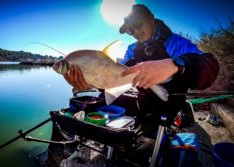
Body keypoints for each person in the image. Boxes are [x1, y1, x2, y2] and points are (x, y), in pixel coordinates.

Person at [64, 4, 219, 137]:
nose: (136, 32)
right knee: (103, 103)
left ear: (151, 18)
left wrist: (175, 65)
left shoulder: (176, 43)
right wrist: (90, 83)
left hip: (168, 106)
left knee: (152, 135)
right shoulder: (132, 49)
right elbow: (117, 78)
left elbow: (209, 68)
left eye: (138, 24)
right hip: (141, 101)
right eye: (131, 30)